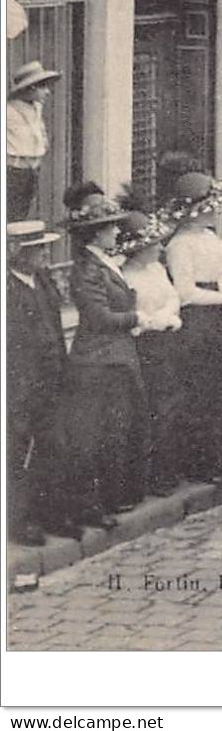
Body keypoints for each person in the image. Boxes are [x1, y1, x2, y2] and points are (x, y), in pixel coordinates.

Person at [55, 185, 141, 530]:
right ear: (97, 233)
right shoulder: (87, 270)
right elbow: (100, 318)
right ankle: (89, 506)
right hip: (97, 362)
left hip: (114, 358)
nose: (118, 231)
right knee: (93, 435)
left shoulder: (103, 263)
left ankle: (106, 499)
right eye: (112, 227)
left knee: (114, 431)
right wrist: (140, 318)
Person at [164, 172, 222, 483]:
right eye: (210, 206)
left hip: (219, 316)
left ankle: (219, 454)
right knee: (200, 390)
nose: (216, 210)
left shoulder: (211, 238)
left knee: (221, 387)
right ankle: (199, 461)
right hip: (196, 320)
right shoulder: (179, 245)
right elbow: (184, 292)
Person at [6, 221, 69, 545]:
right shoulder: (8, 290)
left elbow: (55, 329)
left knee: (52, 449)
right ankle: (20, 522)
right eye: (38, 249)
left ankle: (53, 515)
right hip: (19, 387)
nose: (45, 254)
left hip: (50, 381)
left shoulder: (42, 281)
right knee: (18, 455)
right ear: (18, 253)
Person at [117, 209, 184, 497]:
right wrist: (155, 320)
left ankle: (166, 471)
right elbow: (133, 315)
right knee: (149, 410)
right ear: (139, 248)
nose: (160, 248)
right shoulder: (126, 276)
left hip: (166, 342)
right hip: (143, 346)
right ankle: (146, 477)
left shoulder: (156, 269)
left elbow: (173, 296)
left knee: (169, 408)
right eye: (154, 244)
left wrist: (168, 314)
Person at [7, 61, 60, 218]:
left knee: (22, 215)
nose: (47, 92)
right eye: (42, 87)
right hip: (12, 171)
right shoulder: (8, 112)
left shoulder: (36, 109)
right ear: (30, 88)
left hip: (30, 172)